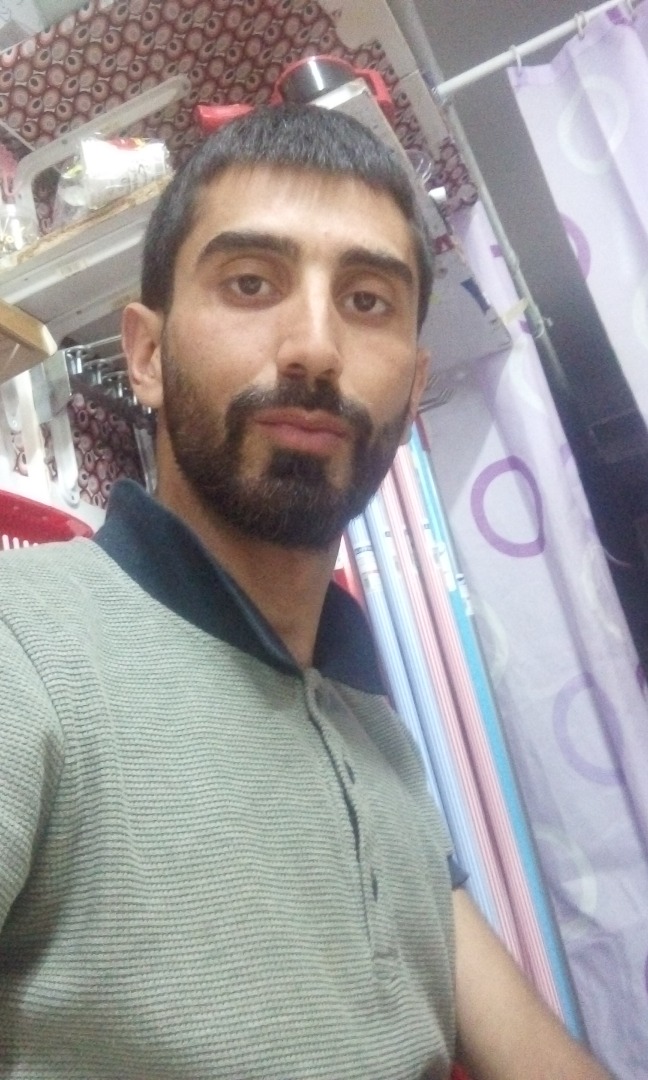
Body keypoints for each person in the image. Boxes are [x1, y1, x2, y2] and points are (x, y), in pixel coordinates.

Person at [0, 103, 612, 1080]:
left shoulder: (371, 727)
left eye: (367, 300)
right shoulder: (25, 642)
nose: (315, 346)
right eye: (251, 282)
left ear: (412, 390)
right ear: (147, 356)